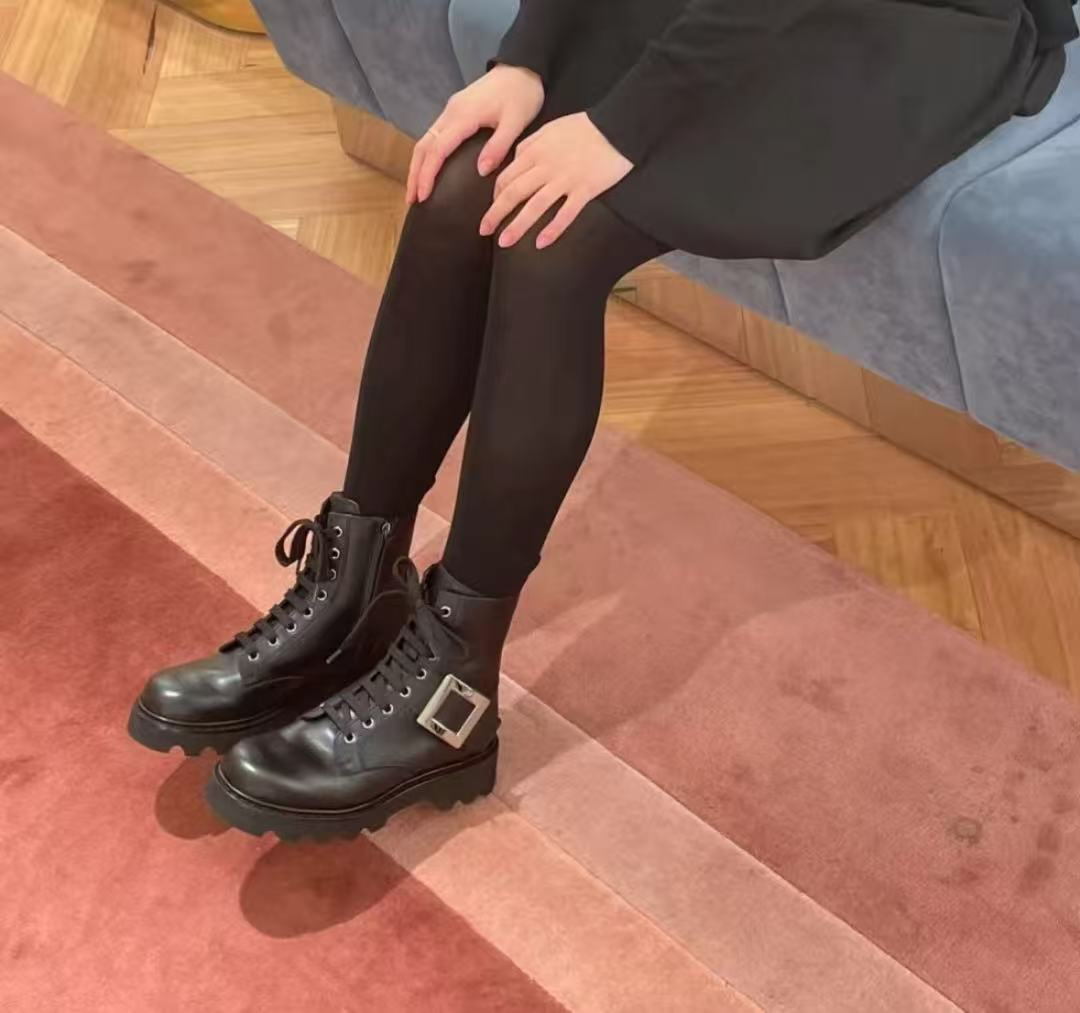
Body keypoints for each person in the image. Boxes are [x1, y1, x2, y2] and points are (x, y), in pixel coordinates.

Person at [128, 0, 1077, 839]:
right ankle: (355, 586)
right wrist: (525, 57)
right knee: (465, 184)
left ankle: (452, 685)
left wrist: (622, 125)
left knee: (556, 234)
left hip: (910, 23)